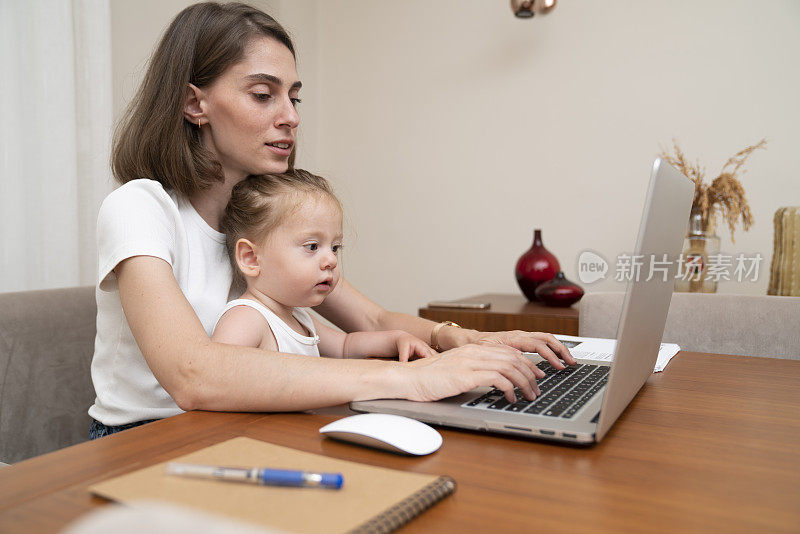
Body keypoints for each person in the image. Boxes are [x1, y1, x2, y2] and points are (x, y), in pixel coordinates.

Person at [88, 2, 574, 439]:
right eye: (263, 95)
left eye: (293, 98)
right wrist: (410, 379)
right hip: (145, 441)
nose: (290, 117)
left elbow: (375, 320)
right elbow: (194, 374)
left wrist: (462, 338)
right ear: (196, 104)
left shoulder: (260, 219)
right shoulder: (140, 208)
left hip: (236, 430)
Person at [211, 169, 436, 362]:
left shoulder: (298, 317)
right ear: (251, 258)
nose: (331, 260)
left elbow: (346, 345)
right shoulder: (246, 320)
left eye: (335, 247)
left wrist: (396, 339)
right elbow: (219, 382)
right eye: (312, 247)